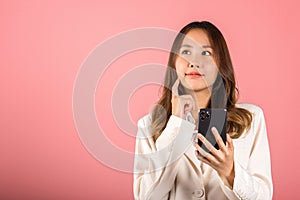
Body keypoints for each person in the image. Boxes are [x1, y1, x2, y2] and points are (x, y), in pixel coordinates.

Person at [133, 21, 273, 200]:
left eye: (206, 53)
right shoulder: (149, 125)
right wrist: (176, 124)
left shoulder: (250, 120)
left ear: (221, 63)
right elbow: (145, 197)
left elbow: (264, 197)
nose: (194, 62)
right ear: (174, 62)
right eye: (186, 52)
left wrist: (230, 172)